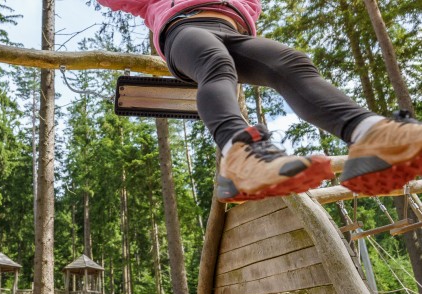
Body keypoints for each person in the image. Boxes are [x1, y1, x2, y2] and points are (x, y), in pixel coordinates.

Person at [96, 0, 422, 203]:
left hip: (236, 33)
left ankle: (370, 133)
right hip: (184, 30)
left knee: (292, 63)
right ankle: (239, 156)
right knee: (216, 65)